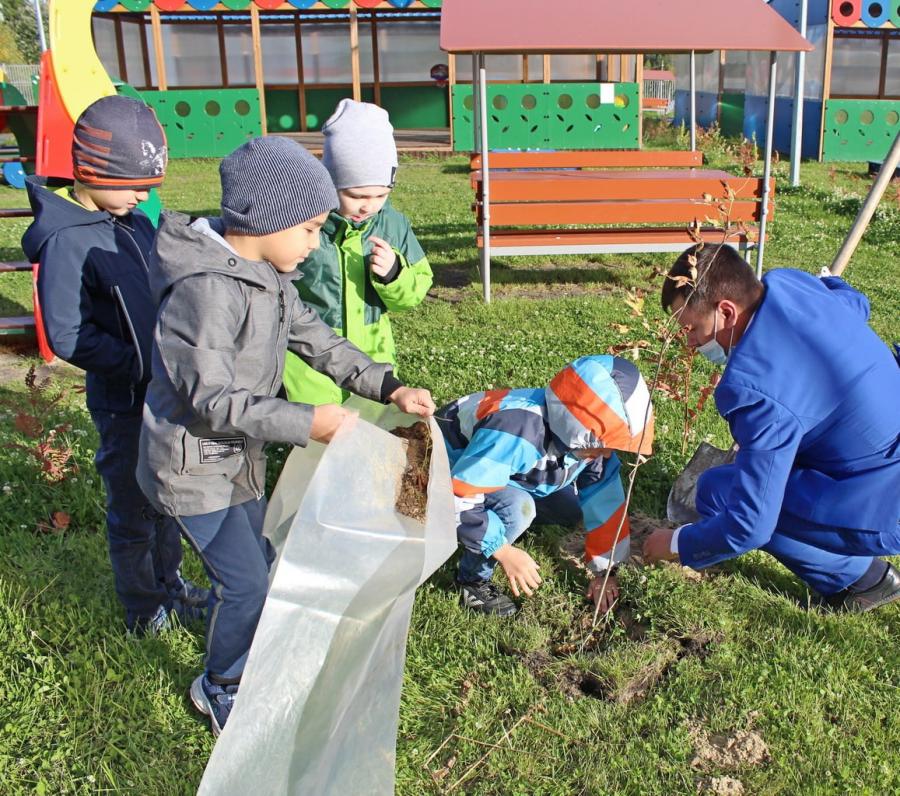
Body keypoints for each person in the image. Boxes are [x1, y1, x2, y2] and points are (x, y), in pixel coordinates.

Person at [136, 136, 435, 736]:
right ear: (267, 220)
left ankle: (241, 638)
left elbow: (316, 339)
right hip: (191, 467)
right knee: (245, 582)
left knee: (258, 561)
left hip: (234, 459)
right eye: (309, 229)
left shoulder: (267, 273)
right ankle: (220, 684)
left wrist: (389, 387)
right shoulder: (204, 291)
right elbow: (211, 399)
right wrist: (307, 423)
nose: (313, 241)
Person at [21, 95, 206, 636]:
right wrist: (138, 365)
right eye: (130, 185)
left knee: (163, 498)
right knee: (132, 510)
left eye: (146, 187)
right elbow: (68, 335)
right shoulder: (66, 240)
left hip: (161, 394)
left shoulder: (129, 219)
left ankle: (169, 583)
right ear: (89, 172)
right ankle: (143, 607)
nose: (140, 196)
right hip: (124, 402)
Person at [643, 244, 900, 612]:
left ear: (726, 312)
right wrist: (833, 285)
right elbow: (855, 304)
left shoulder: (753, 390)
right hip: (877, 441)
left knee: (720, 492)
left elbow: (750, 525)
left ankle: (863, 579)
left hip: (885, 499)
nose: (690, 342)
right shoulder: (791, 285)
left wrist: (676, 544)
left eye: (692, 328)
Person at [436, 355, 654, 616]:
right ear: (578, 429)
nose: (607, 455)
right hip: (449, 467)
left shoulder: (589, 445)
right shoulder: (516, 430)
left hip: (503, 469)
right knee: (519, 508)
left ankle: (501, 523)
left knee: (570, 509)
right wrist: (502, 550)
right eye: (603, 446)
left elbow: (605, 504)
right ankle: (472, 580)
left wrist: (606, 571)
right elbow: (457, 495)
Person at [281, 99, 432, 406]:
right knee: (319, 442)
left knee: (370, 436)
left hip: (373, 355)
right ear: (330, 182)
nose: (368, 205)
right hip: (309, 362)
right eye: (356, 195)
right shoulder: (308, 223)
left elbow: (417, 287)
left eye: (381, 194)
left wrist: (394, 275)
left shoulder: (392, 223)